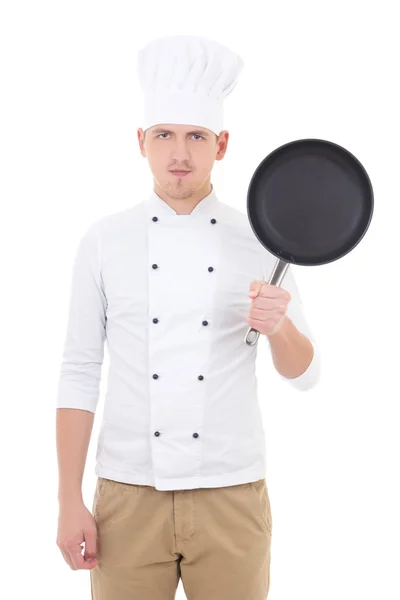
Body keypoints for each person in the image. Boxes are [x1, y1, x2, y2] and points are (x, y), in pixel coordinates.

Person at [55, 34, 321, 600]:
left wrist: (281, 327)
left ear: (221, 144)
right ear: (141, 142)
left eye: (196, 136)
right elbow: (78, 372)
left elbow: (305, 374)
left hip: (232, 493)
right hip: (127, 496)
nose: (180, 153)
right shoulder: (104, 241)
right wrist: (68, 499)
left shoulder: (261, 239)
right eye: (165, 136)